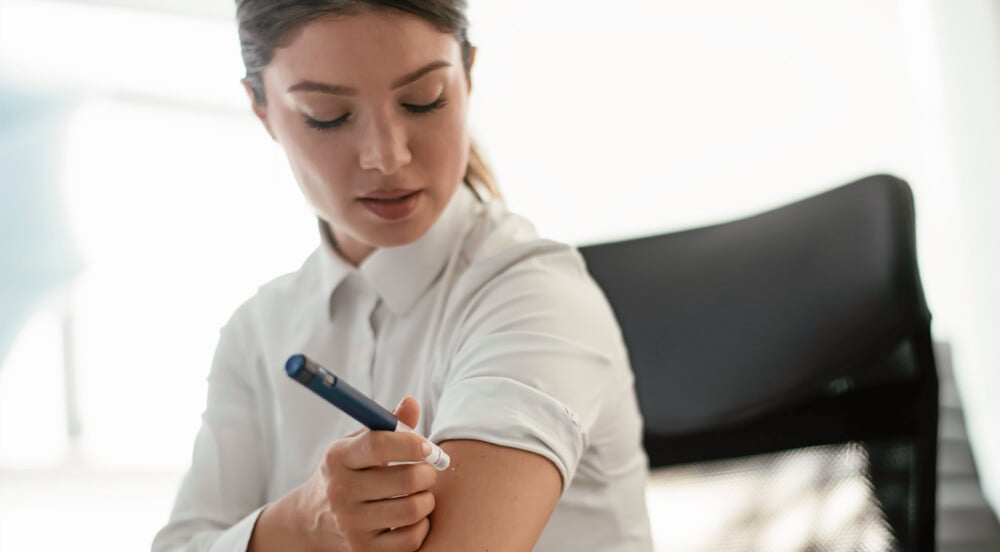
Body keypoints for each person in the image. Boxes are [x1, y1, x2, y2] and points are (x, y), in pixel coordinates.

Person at [152, 1, 653, 550]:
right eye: (327, 114)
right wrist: (303, 521)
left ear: (467, 75)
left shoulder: (537, 297)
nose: (386, 157)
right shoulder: (257, 332)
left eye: (423, 101)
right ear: (262, 109)